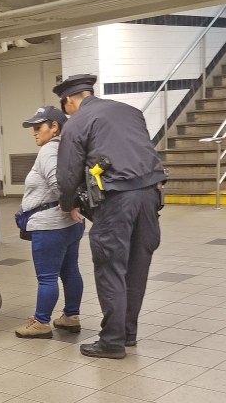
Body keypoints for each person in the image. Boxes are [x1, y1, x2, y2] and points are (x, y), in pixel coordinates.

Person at [54, 74, 167, 359]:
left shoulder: (76, 122)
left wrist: (69, 204)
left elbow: (68, 174)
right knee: (137, 268)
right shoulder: (130, 112)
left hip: (117, 201)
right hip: (151, 197)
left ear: (69, 100)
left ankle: (112, 342)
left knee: (111, 268)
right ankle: (128, 333)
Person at [15, 106, 85, 339]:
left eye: (38, 127)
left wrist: (69, 206)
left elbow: (60, 183)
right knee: (70, 270)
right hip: (71, 225)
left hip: (51, 225)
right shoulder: (70, 148)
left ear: (54, 127)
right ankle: (71, 317)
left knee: (47, 276)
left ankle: (41, 322)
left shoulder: (48, 151)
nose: (34, 132)